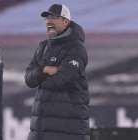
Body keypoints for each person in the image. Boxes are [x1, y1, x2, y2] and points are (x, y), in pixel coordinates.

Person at [25, 4, 90, 140]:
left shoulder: (76, 48)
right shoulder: (43, 47)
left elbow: (60, 80)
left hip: (68, 131)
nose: (48, 21)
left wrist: (40, 76)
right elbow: (29, 79)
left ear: (66, 22)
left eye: (53, 17)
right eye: (47, 18)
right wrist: (44, 71)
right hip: (40, 130)